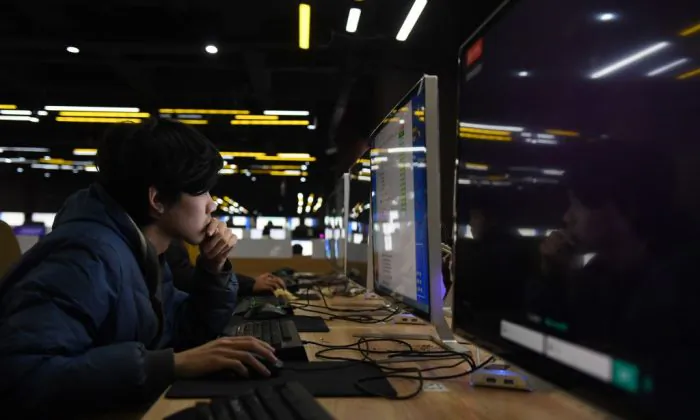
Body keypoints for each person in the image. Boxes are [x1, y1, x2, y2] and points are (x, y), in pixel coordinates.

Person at [0, 120, 278, 417]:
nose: (212, 205)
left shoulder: (144, 252)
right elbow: (22, 376)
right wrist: (172, 365)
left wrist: (213, 270)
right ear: (157, 200)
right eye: (201, 191)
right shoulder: (87, 257)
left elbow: (183, 330)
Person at [166, 239, 285, 294]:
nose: (211, 206)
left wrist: (250, 283)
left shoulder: (181, 243)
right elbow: (187, 278)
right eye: (199, 194)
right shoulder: (170, 247)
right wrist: (249, 284)